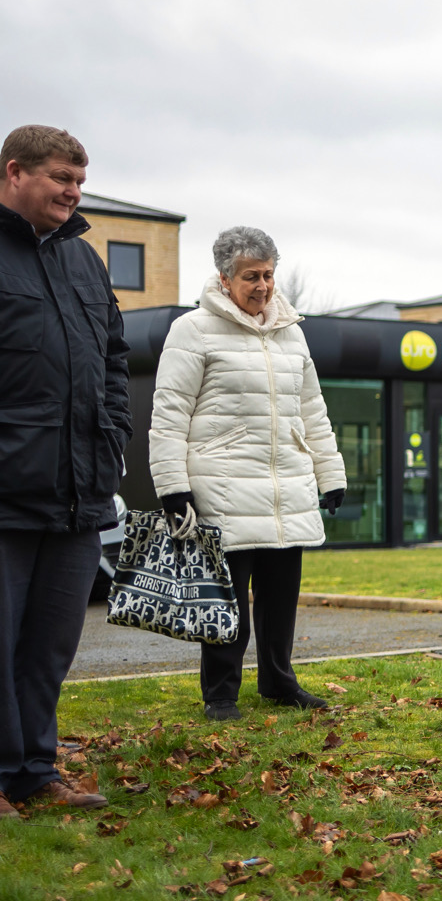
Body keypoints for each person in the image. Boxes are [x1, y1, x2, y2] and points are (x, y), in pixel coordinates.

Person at [148, 227, 347, 722]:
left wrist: (331, 473)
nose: (262, 286)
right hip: (224, 487)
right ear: (224, 277)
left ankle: (279, 681)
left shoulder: (292, 332)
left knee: (281, 597)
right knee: (225, 600)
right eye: (250, 276)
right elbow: (170, 412)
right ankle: (221, 694)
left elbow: (313, 411)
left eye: (268, 275)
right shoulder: (192, 330)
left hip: (286, 487)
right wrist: (173, 487)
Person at [0, 125, 126, 816]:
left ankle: (33, 772)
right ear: (15, 172)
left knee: (49, 645)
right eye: (61, 180)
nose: (74, 193)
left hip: (79, 491)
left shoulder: (84, 261)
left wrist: (113, 438)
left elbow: (111, 355)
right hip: (7, 491)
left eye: (79, 181)